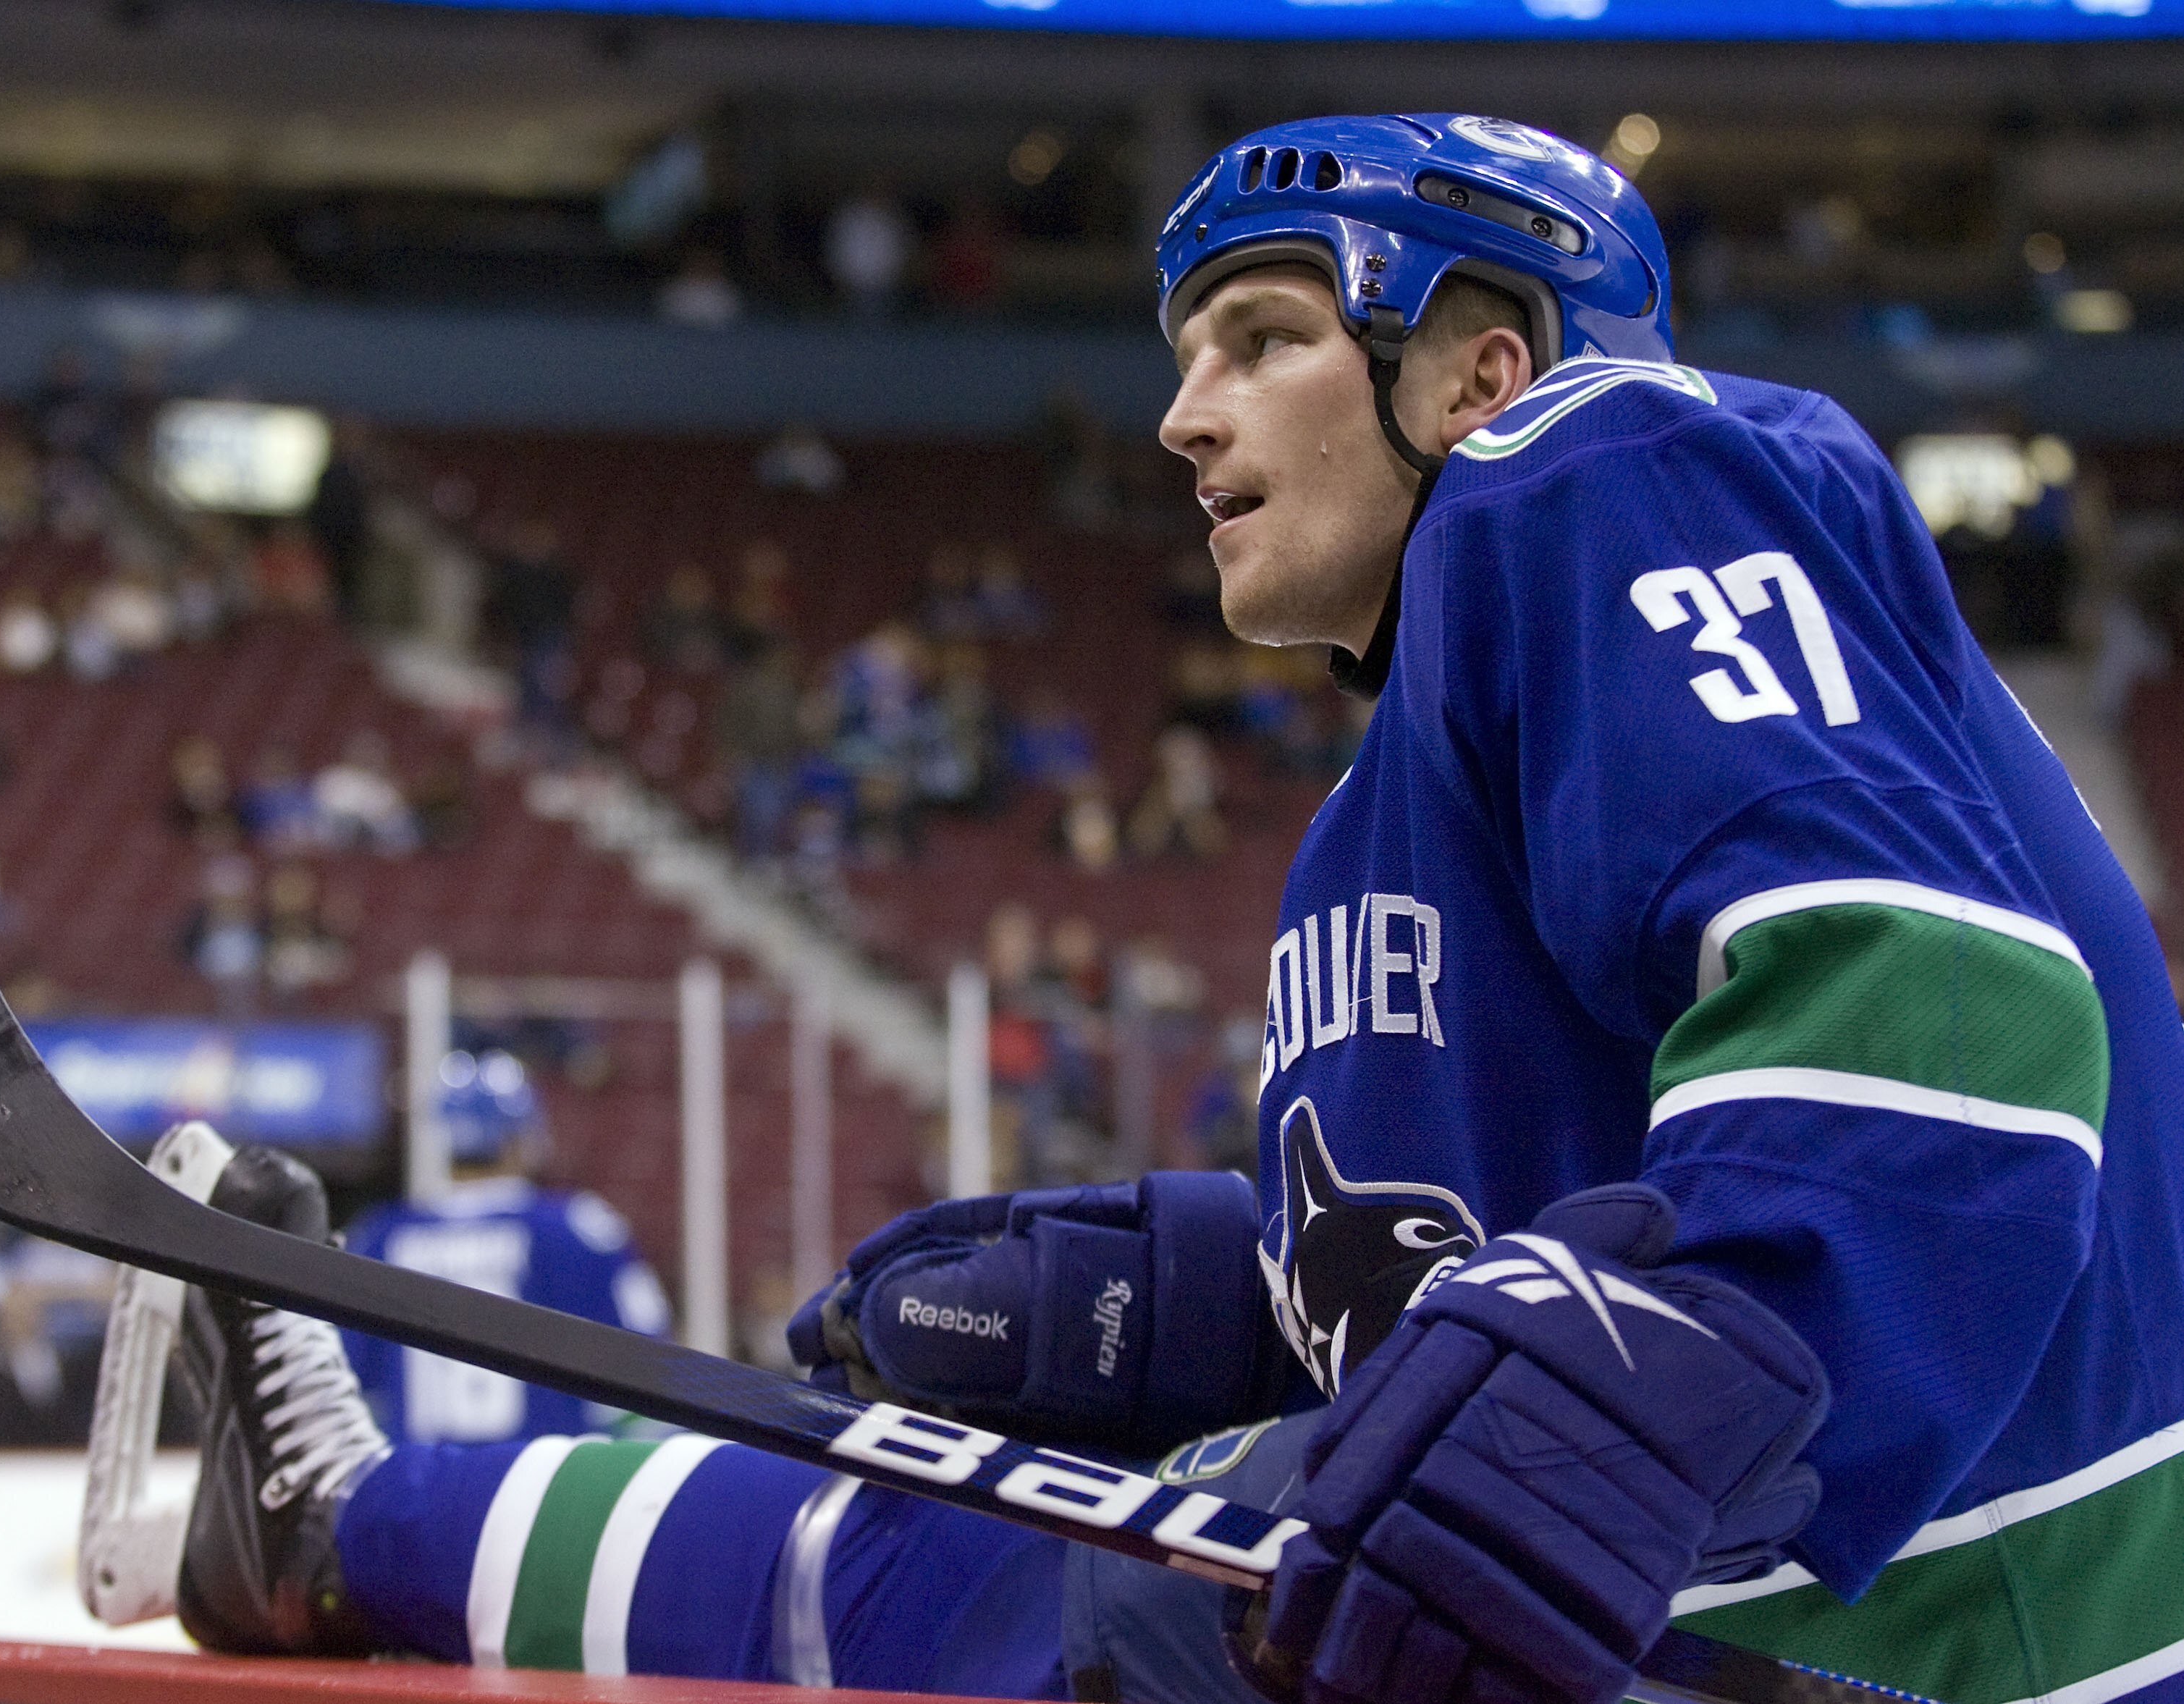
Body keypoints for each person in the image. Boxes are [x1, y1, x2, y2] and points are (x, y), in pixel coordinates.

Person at [154, 114, 2184, 1704]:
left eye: (1268, 337)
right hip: (1776, 1608)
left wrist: (1658, 1378)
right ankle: (336, 1530)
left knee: (976, 1573)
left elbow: (1945, 1013)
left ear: (1483, 364)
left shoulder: (1597, 462)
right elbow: (1524, 1251)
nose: (1180, 415)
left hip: (1933, 1633)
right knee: (970, 1547)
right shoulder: (1383, 813)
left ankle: (346, 1525)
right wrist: (1186, 1287)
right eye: (1187, 354)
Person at [337, 1051, 670, 1446]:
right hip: (544, 1490)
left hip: (426, 1492)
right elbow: (652, 1367)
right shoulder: (576, 1228)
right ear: (519, 1137)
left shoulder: (381, 1236)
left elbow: (349, 1381)